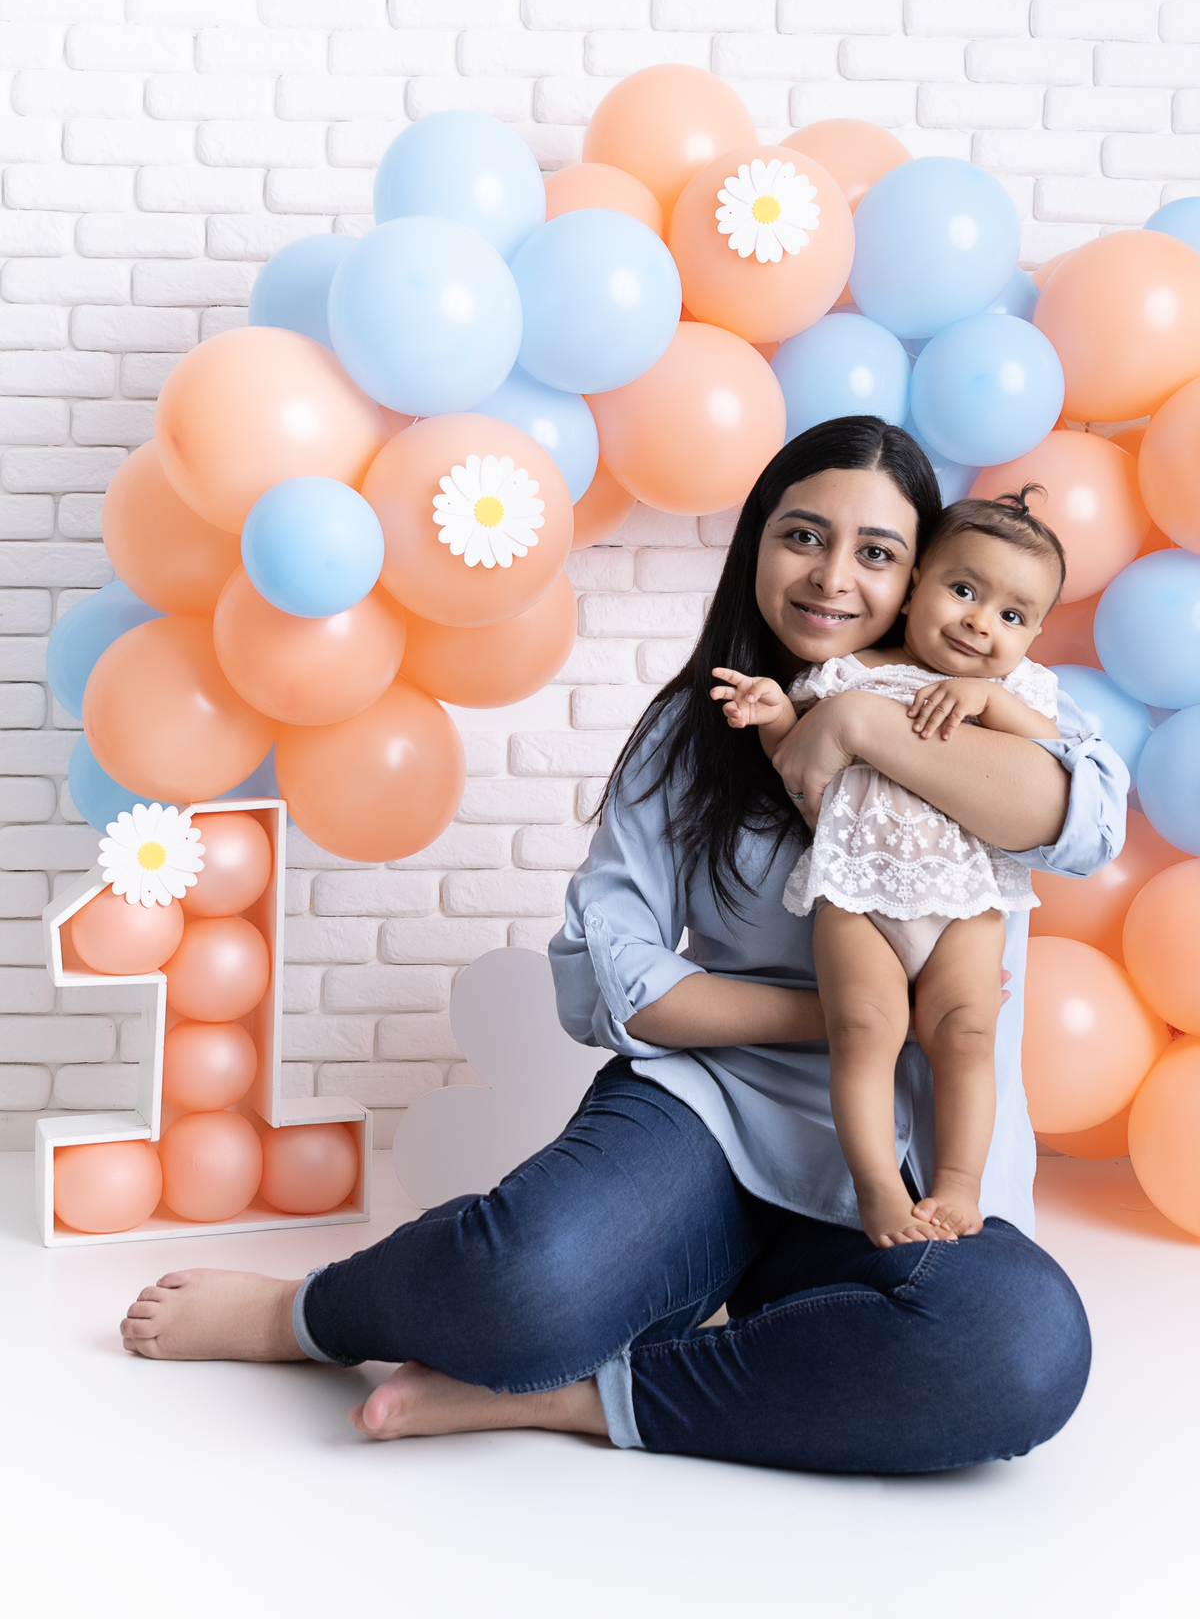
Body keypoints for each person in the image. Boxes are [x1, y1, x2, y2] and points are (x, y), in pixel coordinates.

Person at [119, 417, 1127, 1476]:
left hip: (905, 1169)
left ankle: (579, 1399)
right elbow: (612, 980)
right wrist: (834, 1015)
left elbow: (1079, 820)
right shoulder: (700, 731)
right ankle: (308, 1314)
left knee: (1020, 1350)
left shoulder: (989, 721)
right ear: (755, 547)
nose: (834, 577)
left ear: (918, 573)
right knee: (521, 1285)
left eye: (876, 552)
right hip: (712, 1117)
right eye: (801, 535)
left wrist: (864, 728)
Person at [711, 488, 1067, 1249]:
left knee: (968, 1032)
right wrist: (771, 711)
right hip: (857, 893)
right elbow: (795, 766)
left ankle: (959, 1186)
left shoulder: (1014, 693)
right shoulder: (849, 674)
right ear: (912, 593)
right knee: (862, 1028)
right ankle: (876, 1188)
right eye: (963, 590)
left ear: (1034, 635)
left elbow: (1050, 762)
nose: (979, 621)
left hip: (966, 900)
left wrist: (984, 701)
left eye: (1010, 616)